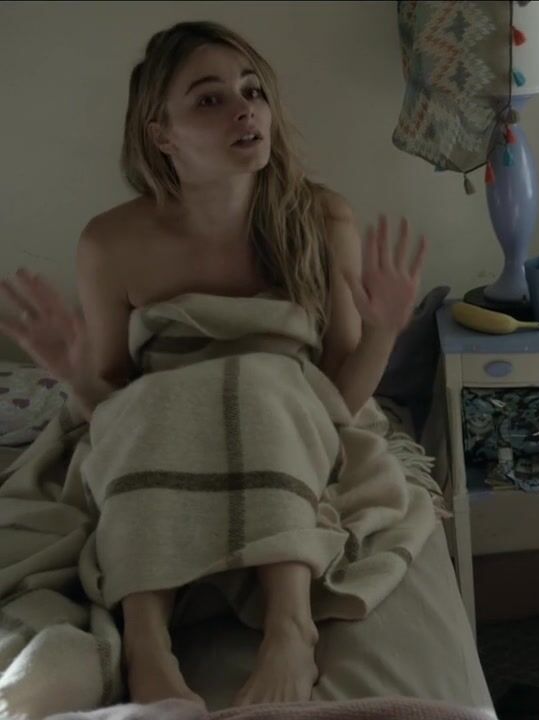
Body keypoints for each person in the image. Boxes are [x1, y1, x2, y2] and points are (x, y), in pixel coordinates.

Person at [0, 21, 426, 708]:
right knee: (158, 399)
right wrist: (71, 370)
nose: (244, 109)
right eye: (209, 99)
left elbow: (339, 403)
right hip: (160, 426)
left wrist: (382, 331)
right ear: (161, 134)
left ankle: (289, 628)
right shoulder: (111, 242)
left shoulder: (322, 220)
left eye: (252, 91)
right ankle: (147, 643)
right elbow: (110, 410)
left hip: (288, 414)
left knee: (258, 378)